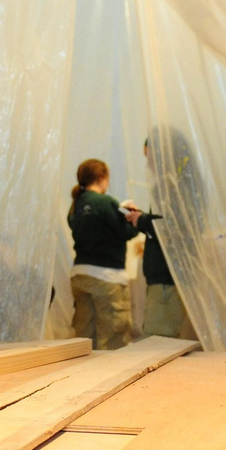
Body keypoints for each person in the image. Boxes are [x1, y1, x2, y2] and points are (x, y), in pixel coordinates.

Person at [68, 158, 141, 350]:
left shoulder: (75, 205)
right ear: (102, 178)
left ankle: (83, 378)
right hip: (107, 278)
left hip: (80, 275)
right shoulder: (105, 202)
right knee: (113, 340)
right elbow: (127, 232)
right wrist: (133, 215)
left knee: (85, 340)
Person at [138, 135, 199, 342]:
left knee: (158, 343)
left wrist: (141, 220)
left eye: (150, 157)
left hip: (167, 280)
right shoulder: (183, 185)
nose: (148, 165)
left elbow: (173, 229)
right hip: (167, 278)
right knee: (162, 340)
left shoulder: (175, 187)